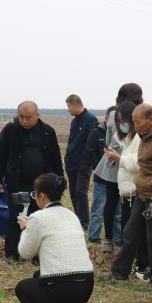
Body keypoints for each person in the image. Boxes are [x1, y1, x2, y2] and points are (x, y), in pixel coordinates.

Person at [101, 104, 152, 292]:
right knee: (130, 233)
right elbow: (145, 166)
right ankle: (119, 272)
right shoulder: (146, 136)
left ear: (150, 120)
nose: (134, 125)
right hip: (142, 194)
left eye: (137, 121)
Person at [15, 173, 94, 303]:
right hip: (86, 286)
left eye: (35, 194)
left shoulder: (38, 217)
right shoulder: (71, 215)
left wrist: (26, 229)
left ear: (41, 196)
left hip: (63, 288)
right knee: (39, 277)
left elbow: (25, 252)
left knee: (23, 288)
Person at [0, 101, 63, 263]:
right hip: (18, 183)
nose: (24, 121)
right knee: (15, 218)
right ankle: (12, 253)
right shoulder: (10, 131)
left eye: (28, 117)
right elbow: (2, 156)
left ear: (37, 115)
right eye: (21, 117)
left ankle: (38, 256)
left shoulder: (47, 132)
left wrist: (59, 178)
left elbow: (55, 157)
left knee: (39, 218)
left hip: (41, 186)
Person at [94, 83, 144, 252]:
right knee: (128, 204)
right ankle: (124, 240)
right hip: (126, 165)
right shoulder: (140, 113)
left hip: (113, 163)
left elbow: (109, 141)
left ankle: (109, 240)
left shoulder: (114, 114)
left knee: (111, 202)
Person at [103, 102, 147, 278]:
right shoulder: (126, 138)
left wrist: (118, 158)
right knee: (128, 231)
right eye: (119, 121)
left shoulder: (140, 139)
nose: (122, 124)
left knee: (135, 233)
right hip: (126, 192)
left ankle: (142, 266)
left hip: (136, 191)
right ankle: (134, 265)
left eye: (125, 121)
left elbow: (138, 163)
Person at [65, 94, 99, 231]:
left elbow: (91, 143)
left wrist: (86, 161)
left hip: (83, 164)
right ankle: (77, 219)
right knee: (73, 192)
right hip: (71, 163)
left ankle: (84, 223)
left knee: (80, 192)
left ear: (74, 104)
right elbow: (72, 142)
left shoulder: (91, 120)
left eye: (68, 106)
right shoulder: (74, 121)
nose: (68, 110)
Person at [85, 105, 116, 244]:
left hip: (117, 179)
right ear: (106, 118)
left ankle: (117, 238)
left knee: (118, 211)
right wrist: (100, 168)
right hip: (101, 179)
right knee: (98, 209)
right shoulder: (96, 133)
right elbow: (89, 153)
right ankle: (93, 237)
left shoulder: (121, 134)